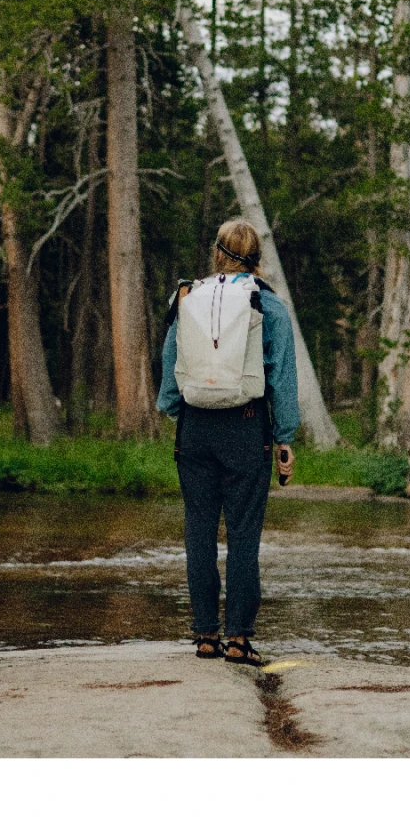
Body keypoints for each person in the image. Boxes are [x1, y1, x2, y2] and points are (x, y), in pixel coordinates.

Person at [156, 218, 300, 667]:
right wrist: (284, 438)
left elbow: (170, 364)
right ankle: (238, 639)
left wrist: (180, 412)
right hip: (246, 427)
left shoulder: (187, 297)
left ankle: (205, 636)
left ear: (217, 252)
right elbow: (281, 377)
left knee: (198, 531)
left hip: (195, 428)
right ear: (257, 257)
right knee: (243, 536)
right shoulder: (269, 305)